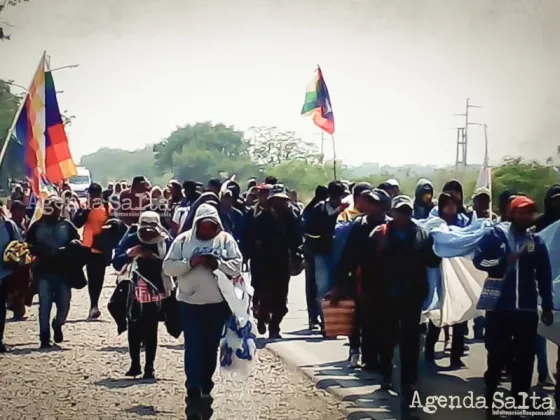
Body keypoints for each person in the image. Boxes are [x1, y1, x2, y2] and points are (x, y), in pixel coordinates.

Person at [473, 196, 553, 412]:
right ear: (511, 213)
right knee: (497, 354)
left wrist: (547, 305)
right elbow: (479, 261)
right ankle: (490, 394)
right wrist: (501, 261)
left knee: (526, 357)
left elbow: (544, 275)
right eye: (521, 212)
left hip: (526, 310)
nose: (526, 216)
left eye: (529, 212)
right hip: (499, 308)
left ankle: (519, 401)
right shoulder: (495, 235)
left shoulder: (535, 242)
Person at [163, 203, 242, 401]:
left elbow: (236, 265)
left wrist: (217, 264)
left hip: (217, 304)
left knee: (210, 347)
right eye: (204, 225)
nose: (207, 229)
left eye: (211, 225)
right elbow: (168, 267)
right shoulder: (182, 241)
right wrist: (191, 262)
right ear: (197, 224)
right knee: (193, 345)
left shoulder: (225, 241)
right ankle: (193, 384)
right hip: (189, 304)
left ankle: (206, 383)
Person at [370, 195, 441, 409]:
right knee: (386, 336)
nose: (404, 215)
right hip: (385, 294)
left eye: (407, 211)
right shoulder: (379, 234)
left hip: (412, 294)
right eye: (400, 211)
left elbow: (432, 260)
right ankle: (385, 374)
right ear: (392, 213)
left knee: (410, 339)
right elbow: (367, 263)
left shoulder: (422, 234)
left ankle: (409, 381)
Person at [333, 188, 390, 369]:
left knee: (383, 321)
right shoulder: (359, 225)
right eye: (369, 202)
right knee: (360, 319)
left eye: (374, 203)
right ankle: (361, 354)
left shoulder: (392, 225)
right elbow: (348, 255)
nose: (370, 206)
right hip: (362, 279)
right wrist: (340, 283)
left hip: (386, 280)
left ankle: (382, 358)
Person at [113, 211, 173, 379]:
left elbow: (172, 265)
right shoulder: (131, 238)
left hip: (157, 289)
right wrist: (130, 254)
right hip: (132, 289)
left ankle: (149, 366)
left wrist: (153, 258)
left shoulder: (165, 241)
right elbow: (116, 262)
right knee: (133, 327)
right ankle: (135, 364)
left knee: (151, 328)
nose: (147, 232)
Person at [26, 196, 80, 348]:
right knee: (44, 304)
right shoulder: (37, 226)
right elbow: (27, 244)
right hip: (43, 272)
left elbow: (77, 241)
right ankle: (44, 337)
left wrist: (71, 246)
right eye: (51, 206)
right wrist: (39, 250)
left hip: (63, 272)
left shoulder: (67, 225)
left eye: (57, 206)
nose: (54, 209)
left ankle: (57, 324)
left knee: (64, 305)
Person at [424, 193, 470, 368]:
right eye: (448, 205)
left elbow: (466, 239)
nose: (451, 208)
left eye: (454, 205)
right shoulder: (434, 223)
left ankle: (456, 356)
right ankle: (429, 352)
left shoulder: (463, 223)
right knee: (437, 314)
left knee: (460, 314)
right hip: (439, 274)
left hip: (458, 275)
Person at [251, 186, 302, 338]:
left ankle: (275, 328)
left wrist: (297, 253)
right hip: (265, 263)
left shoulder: (290, 217)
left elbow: (296, 237)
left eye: (282, 200)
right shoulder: (261, 218)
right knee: (266, 296)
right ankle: (261, 317)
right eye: (277, 200)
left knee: (281, 298)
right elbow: (254, 240)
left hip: (283, 262)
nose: (280, 203)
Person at [304, 181, 348, 334]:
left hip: (340, 254)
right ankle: (326, 323)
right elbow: (309, 230)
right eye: (335, 195)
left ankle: (338, 322)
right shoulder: (318, 209)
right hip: (321, 253)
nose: (338, 199)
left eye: (340, 195)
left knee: (340, 288)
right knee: (322, 288)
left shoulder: (346, 212)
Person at [74, 183, 112, 320]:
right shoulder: (85, 207)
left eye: (96, 194)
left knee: (98, 278)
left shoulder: (107, 207)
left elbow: (115, 223)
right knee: (88, 276)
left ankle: (94, 305)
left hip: (102, 248)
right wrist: (87, 210)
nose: (94, 197)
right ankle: (92, 303)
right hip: (87, 247)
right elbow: (77, 222)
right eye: (92, 194)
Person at [302, 185, 328, 330]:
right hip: (313, 252)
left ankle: (316, 317)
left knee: (314, 286)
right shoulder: (316, 209)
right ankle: (313, 317)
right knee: (313, 285)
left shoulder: (312, 208)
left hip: (316, 251)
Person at [0, 209, 22, 352]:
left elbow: (19, 244)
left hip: (4, 274)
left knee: (0, 307)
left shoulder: (9, 225)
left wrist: (14, 257)